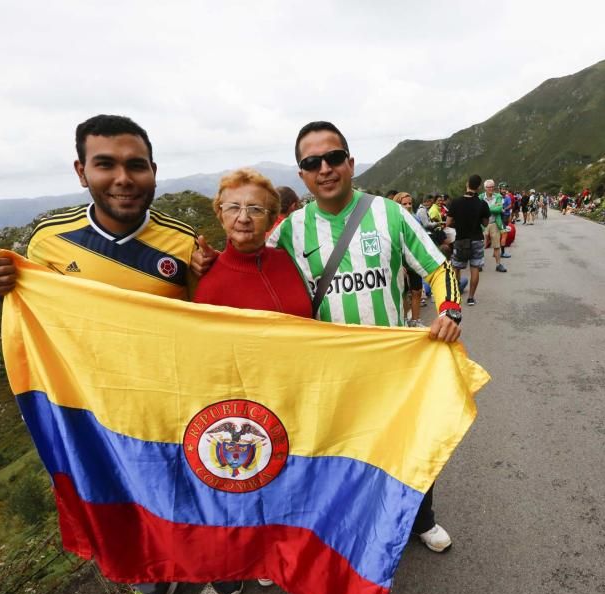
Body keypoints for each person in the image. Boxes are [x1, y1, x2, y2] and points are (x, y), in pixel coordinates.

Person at [0, 114, 196, 594]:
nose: (122, 177)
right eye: (106, 164)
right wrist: (1, 283)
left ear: (153, 172)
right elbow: (35, 313)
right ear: (81, 170)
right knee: (127, 495)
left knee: (187, 482)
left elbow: (209, 318)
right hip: (97, 407)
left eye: (135, 165)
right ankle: (151, 577)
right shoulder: (50, 241)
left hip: (171, 400)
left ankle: (209, 555)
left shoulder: (184, 244)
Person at [193, 121, 461, 552]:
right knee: (346, 454)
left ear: (350, 163)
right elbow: (249, 256)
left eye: (334, 157)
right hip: (329, 376)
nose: (325, 168)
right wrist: (204, 263)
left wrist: (448, 309)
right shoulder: (289, 230)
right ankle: (360, 523)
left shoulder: (388, 214)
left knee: (410, 441)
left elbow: (438, 266)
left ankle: (421, 518)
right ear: (302, 175)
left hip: (392, 365)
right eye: (312, 162)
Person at [193, 167, 312, 594]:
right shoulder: (208, 285)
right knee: (266, 484)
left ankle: (297, 544)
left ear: (271, 218)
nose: (244, 217)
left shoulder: (286, 262)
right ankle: (266, 555)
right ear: (220, 216)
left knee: (301, 480)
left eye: (256, 209)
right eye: (234, 208)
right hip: (254, 409)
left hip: (303, 393)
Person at [446, 175, 490, 306]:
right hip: (476, 239)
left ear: (467, 184)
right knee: (475, 268)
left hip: (460, 240)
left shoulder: (456, 202)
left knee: (457, 268)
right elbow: (486, 223)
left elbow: (448, 222)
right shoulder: (482, 204)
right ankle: (471, 298)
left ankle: (454, 295)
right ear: (479, 187)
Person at [393, 192, 425, 326]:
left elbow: (420, 241)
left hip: (414, 260)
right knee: (404, 293)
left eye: (410, 203)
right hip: (401, 261)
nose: (407, 206)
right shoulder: (393, 220)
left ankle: (415, 320)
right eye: (404, 203)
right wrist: (399, 264)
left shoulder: (415, 218)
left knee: (417, 291)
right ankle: (405, 320)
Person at [481, 180, 507, 273]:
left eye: (492, 186)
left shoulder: (498, 196)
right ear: (485, 188)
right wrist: (493, 208)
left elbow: (499, 209)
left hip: (494, 223)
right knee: (481, 245)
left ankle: (498, 265)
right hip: (483, 224)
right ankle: (479, 264)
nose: (491, 188)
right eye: (489, 187)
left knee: (496, 245)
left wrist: (486, 209)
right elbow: (480, 210)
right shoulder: (480, 197)